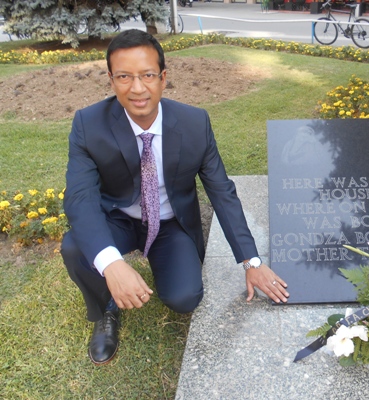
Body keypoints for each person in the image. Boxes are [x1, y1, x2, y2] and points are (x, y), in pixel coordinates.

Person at [61, 29, 289, 365]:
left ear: (163, 78)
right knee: (75, 247)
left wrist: (251, 261)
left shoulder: (195, 122)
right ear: (111, 80)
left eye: (147, 75)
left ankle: (158, 266)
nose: (137, 88)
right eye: (124, 76)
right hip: (118, 218)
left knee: (185, 298)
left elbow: (221, 191)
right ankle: (106, 308)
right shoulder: (88, 124)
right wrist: (111, 264)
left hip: (170, 224)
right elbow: (79, 198)